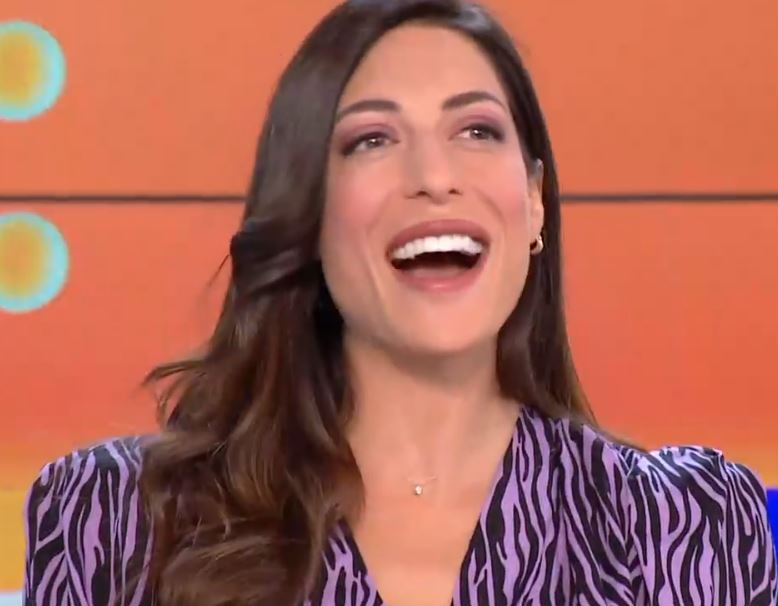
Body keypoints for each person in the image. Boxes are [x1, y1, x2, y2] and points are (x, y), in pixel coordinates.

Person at [23, 0, 777, 604]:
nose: (434, 176)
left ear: (535, 202)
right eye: (373, 140)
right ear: (309, 212)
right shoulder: (116, 521)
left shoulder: (687, 529)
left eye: (476, 130)